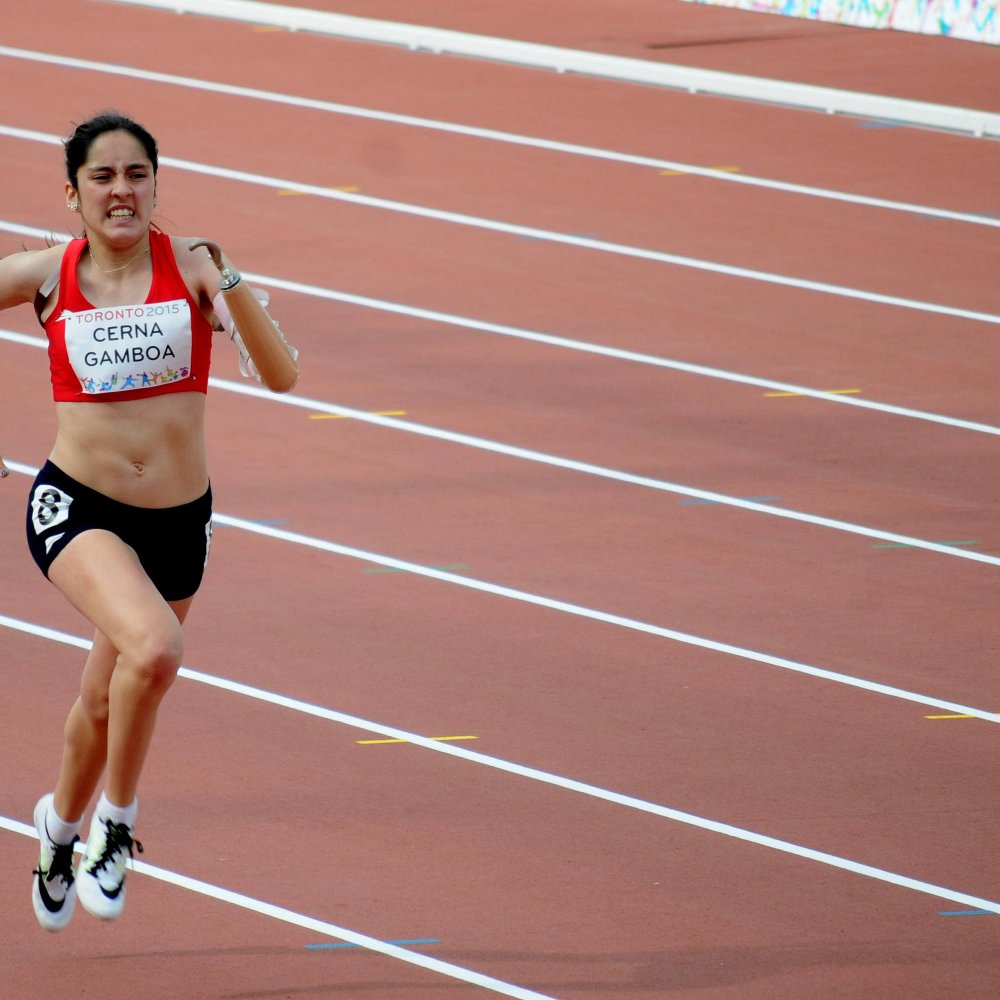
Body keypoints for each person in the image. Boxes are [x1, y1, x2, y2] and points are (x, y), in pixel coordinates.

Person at [0, 110, 298, 931]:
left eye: (137, 175)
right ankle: (117, 825)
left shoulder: (195, 269)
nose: (121, 190)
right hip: (77, 508)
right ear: (72, 193)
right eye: (102, 177)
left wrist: (229, 282)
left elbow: (282, 378)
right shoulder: (46, 273)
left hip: (176, 522)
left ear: (157, 185)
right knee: (158, 651)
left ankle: (58, 827)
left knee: (106, 698)